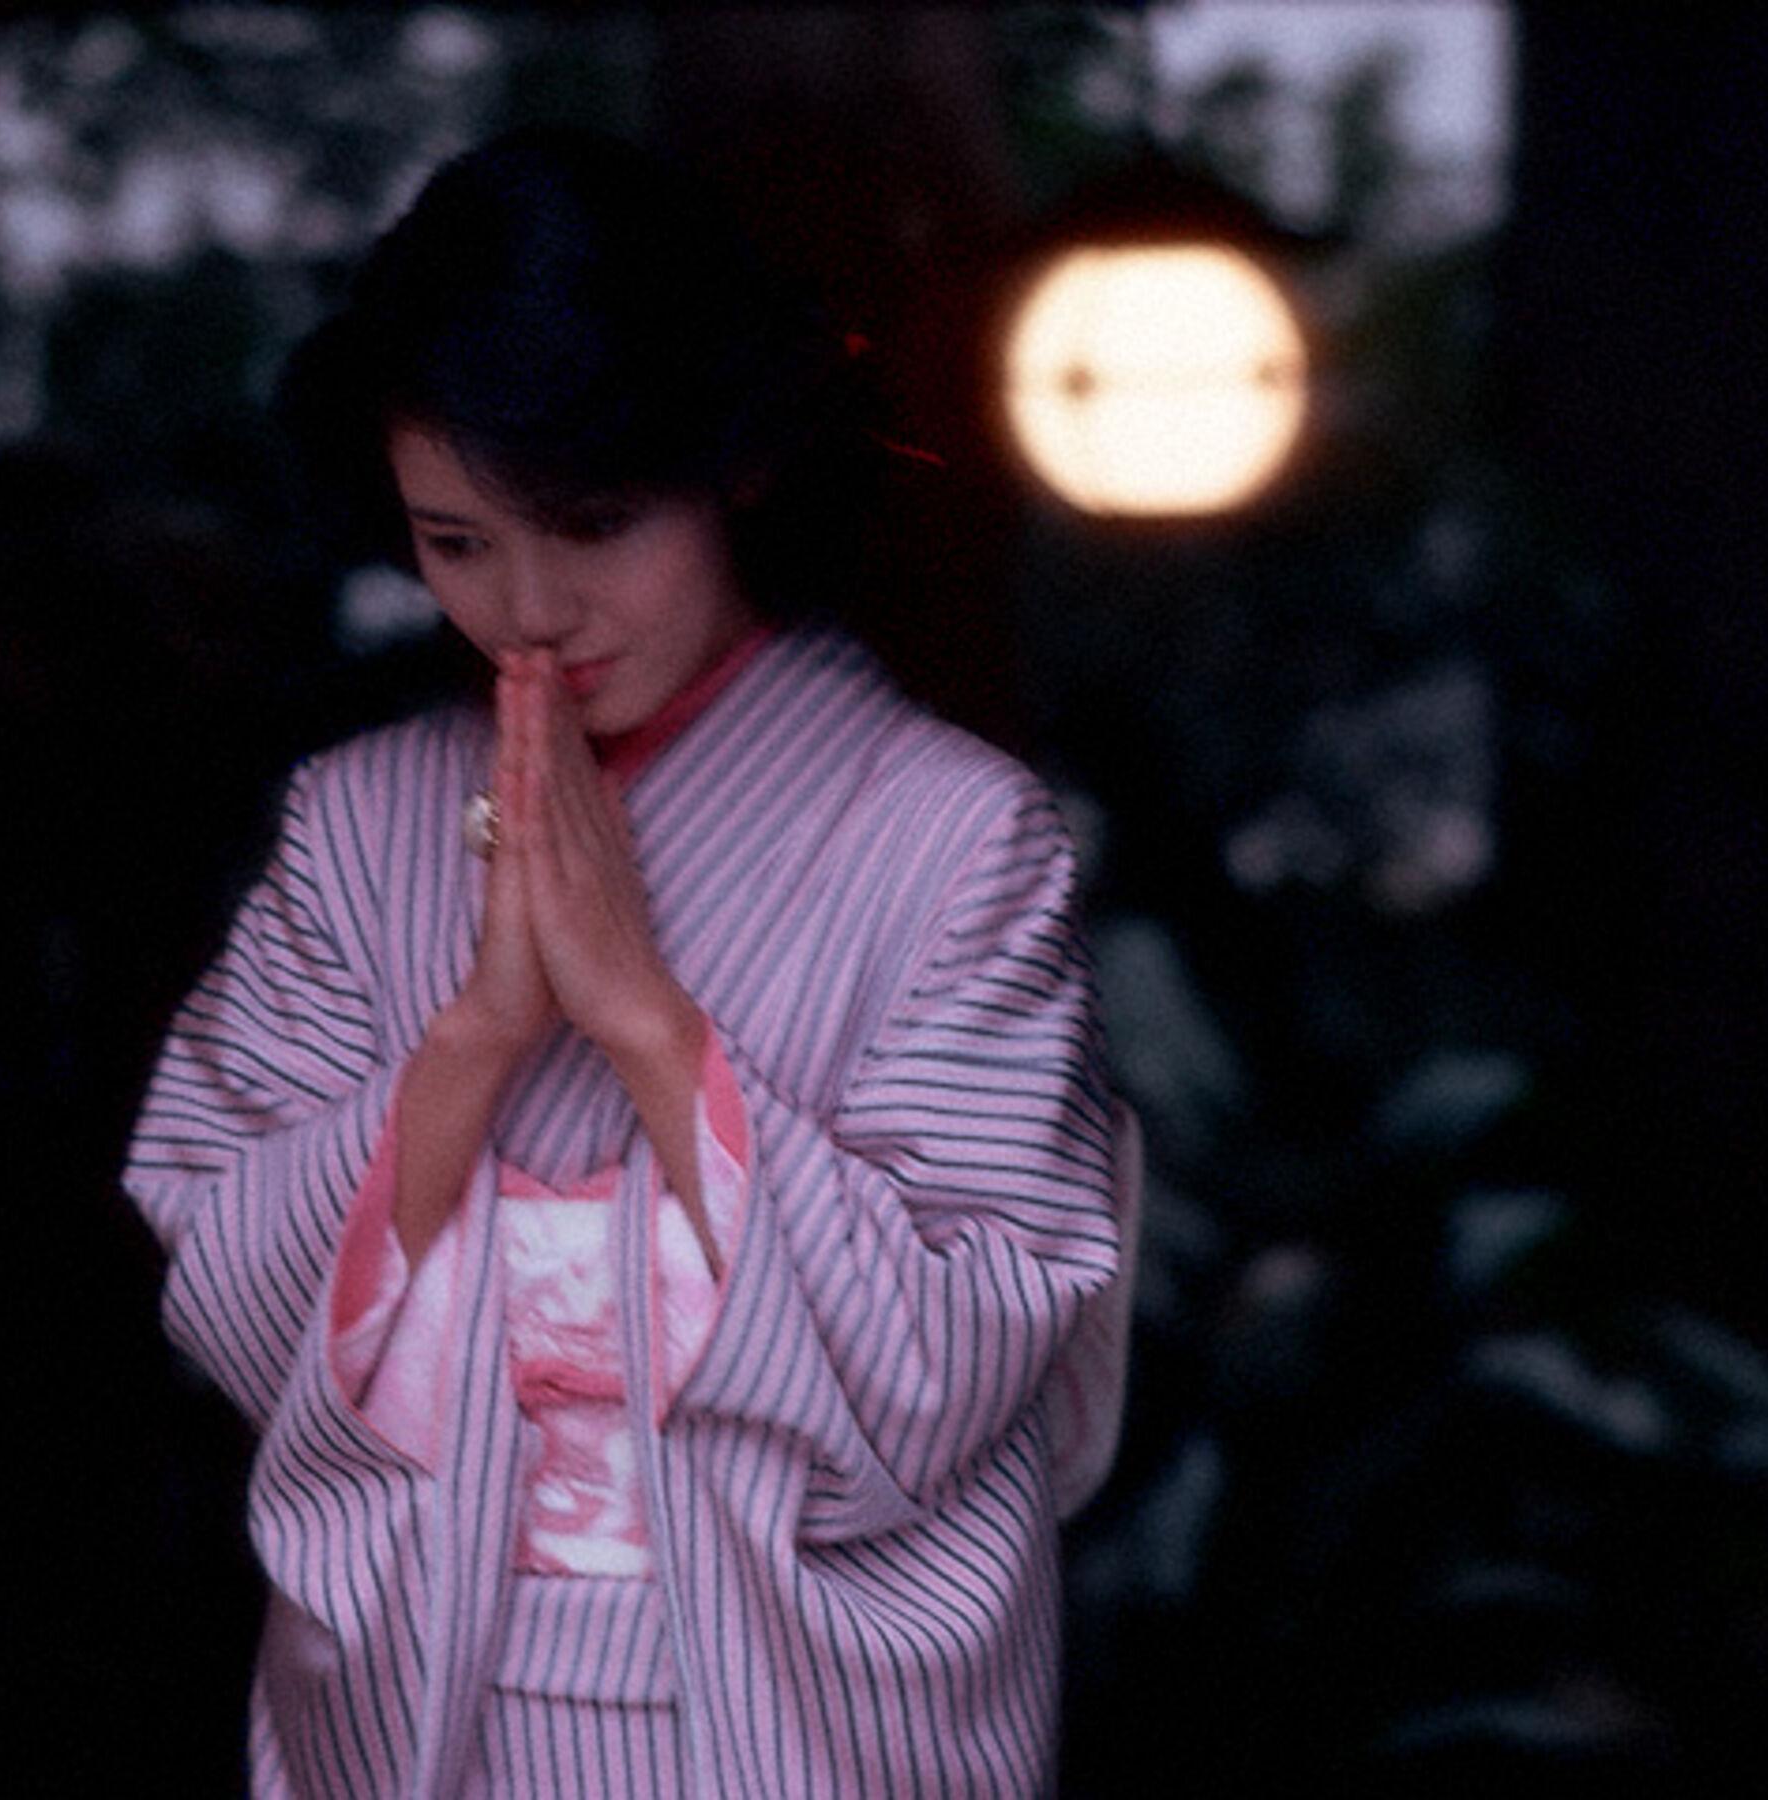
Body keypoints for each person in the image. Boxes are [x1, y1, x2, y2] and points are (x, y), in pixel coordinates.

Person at [122, 126, 1133, 1799]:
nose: (529, 608)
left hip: (796, 1722)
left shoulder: (953, 839)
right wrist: (476, 1038)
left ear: (739, 464)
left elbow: (964, 1348)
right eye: (456, 542)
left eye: (590, 523)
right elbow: (226, 1272)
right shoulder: (355, 828)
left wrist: (650, 1027)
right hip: (432, 1706)